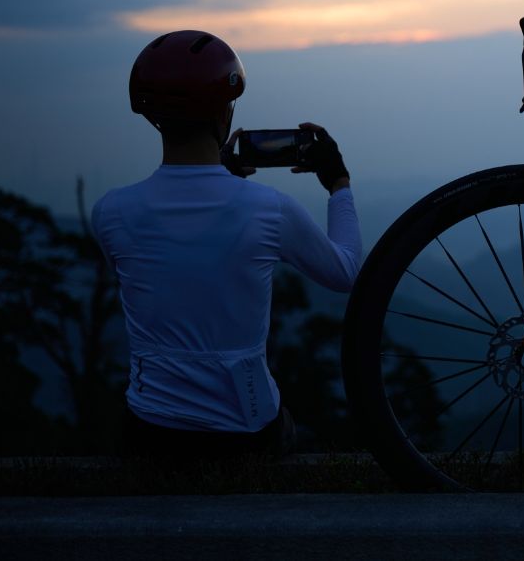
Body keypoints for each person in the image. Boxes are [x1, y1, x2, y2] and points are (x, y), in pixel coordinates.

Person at [90, 30, 362, 457]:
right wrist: (338, 183)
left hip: (148, 432)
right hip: (246, 435)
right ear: (224, 114)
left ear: (151, 114)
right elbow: (346, 273)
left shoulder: (110, 212)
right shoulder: (269, 209)